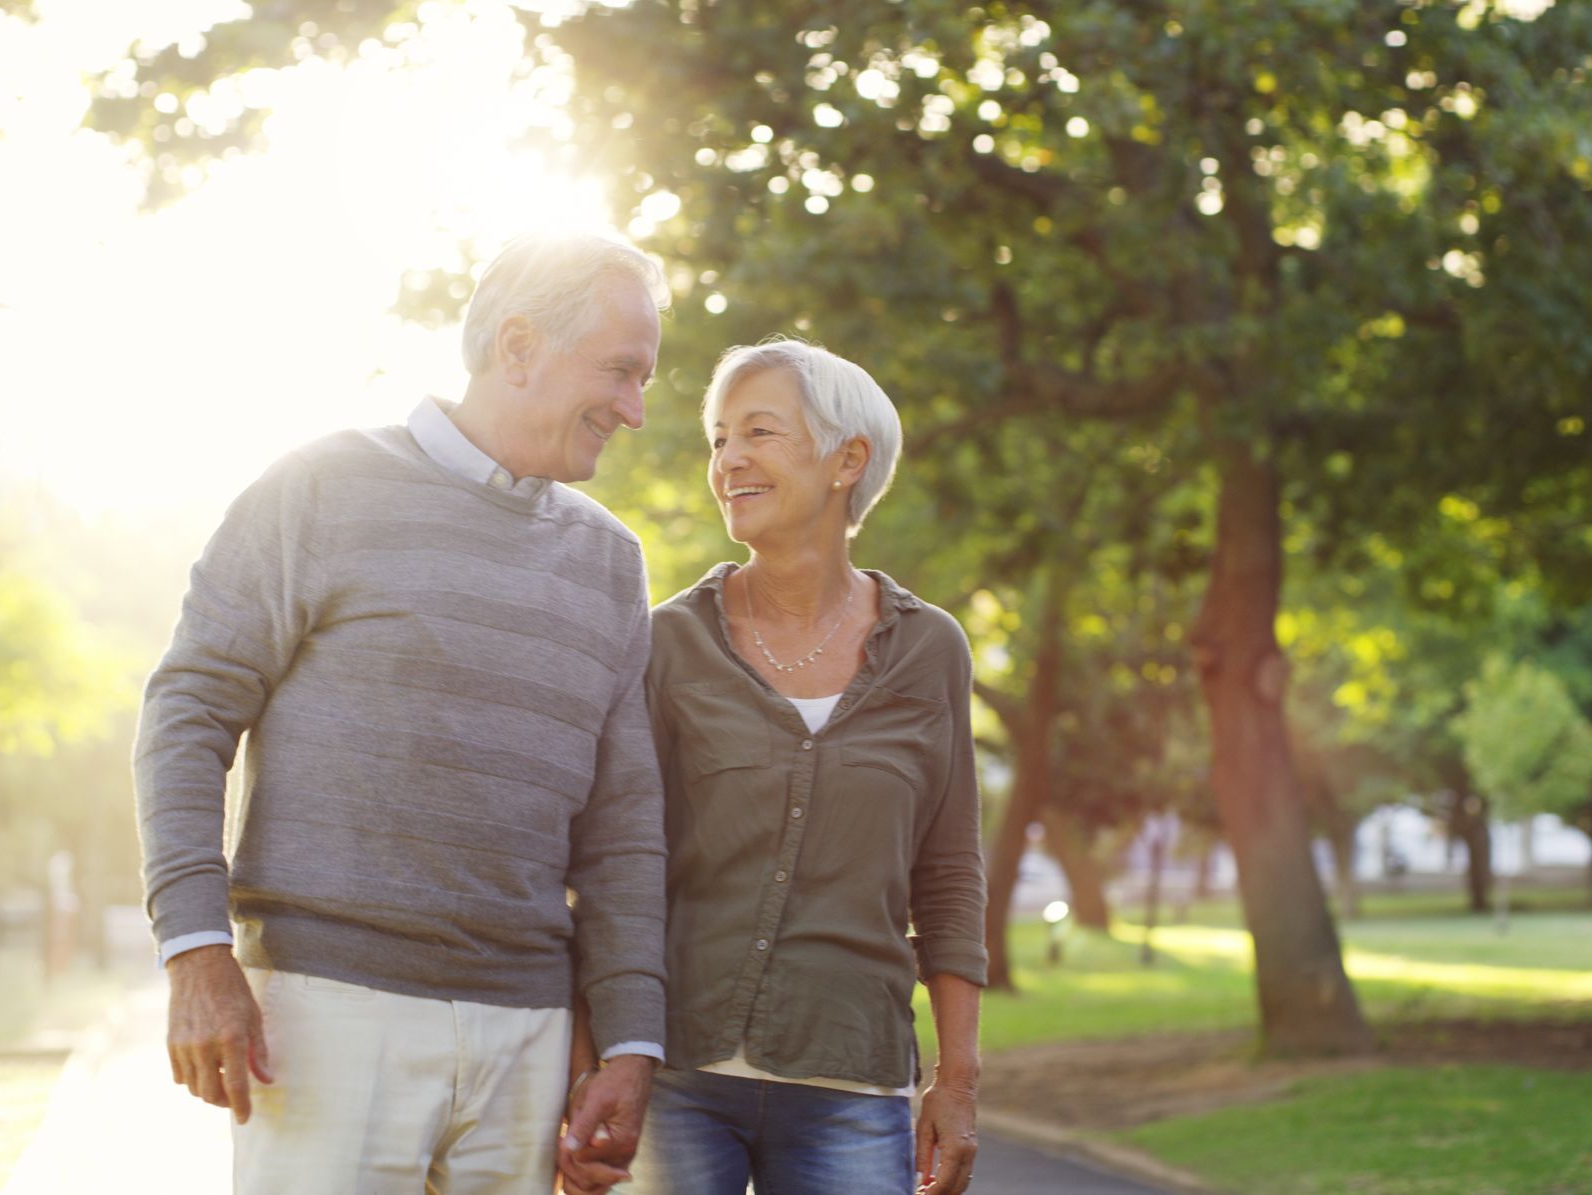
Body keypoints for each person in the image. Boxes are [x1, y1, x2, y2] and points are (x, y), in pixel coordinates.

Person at [133, 231, 671, 1194]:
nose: (635, 410)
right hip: (325, 1012)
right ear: (517, 347)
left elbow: (624, 830)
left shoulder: (610, 560)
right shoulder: (318, 488)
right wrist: (195, 952)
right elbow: (189, 709)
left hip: (527, 1031)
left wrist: (627, 1041)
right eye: (622, 373)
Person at [615, 338, 987, 1195]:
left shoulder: (928, 650)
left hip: (851, 1081)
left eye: (758, 432)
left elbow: (949, 874)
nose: (728, 460)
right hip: (676, 1076)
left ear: (845, 460)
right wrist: (595, 1053)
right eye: (718, 438)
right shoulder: (669, 641)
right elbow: (618, 861)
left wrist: (956, 1082)